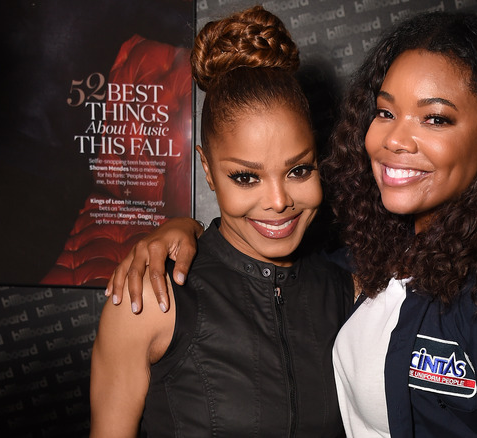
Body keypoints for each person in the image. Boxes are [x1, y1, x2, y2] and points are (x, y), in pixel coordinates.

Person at [108, 10, 477, 438]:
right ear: (207, 171)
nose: (277, 201)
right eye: (385, 111)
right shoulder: (372, 275)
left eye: (436, 119)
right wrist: (180, 230)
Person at [89, 6, 352, 437]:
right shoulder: (149, 299)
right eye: (245, 177)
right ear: (208, 171)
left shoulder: (350, 295)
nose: (278, 201)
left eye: (299, 170)